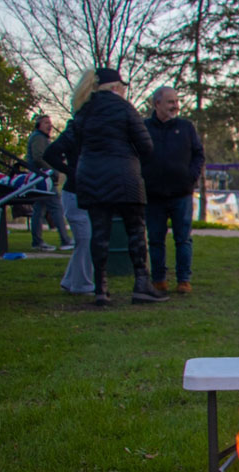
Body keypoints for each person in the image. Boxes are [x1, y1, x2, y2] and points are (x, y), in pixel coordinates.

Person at [71, 67, 165, 306]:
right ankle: (141, 284)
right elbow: (146, 146)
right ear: (115, 87)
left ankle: (101, 289)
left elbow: (74, 144)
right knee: (135, 230)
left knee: (99, 233)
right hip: (124, 176)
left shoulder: (83, 111)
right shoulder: (124, 108)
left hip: (91, 177)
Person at [142, 86, 205, 295]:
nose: (175, 106)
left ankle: (184, 280)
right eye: (170, 102)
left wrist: (191, 177)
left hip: (181, 194)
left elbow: (198, 154)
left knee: (183, 239)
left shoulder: (186, 128)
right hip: (154, 195)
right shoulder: (144, 128)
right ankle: (158, 279)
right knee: (155, 240)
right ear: (157, 104)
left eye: (177, 101)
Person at [43, 118, 94, 294]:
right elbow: (49, 154)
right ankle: (82, 285)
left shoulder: (91, 131)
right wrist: (71, 172)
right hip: (75, 194)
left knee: (85, 240)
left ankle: (70, 280)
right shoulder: (75, 131)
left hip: (85, 192)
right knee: (85, 240)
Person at [25, 115, 75, 252]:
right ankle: (65, 240)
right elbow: (38, 157)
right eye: (46, 122)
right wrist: (53, 169)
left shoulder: (41, 137)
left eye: (50, 123)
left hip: (40, 178)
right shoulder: (38, 138)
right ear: (38, 125)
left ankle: (37, 242)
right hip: (43, 178)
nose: (50, 125)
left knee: (39, 210)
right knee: (56, 208)